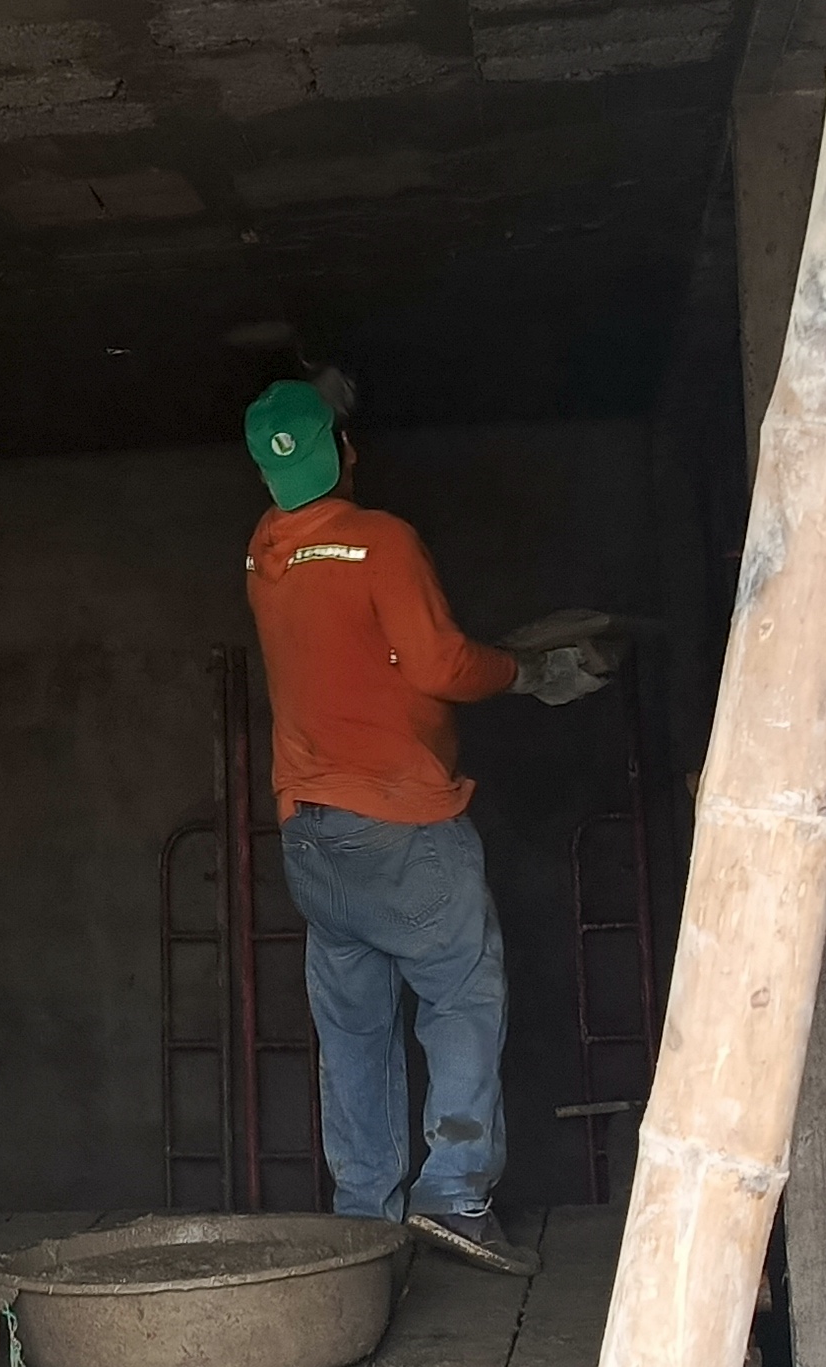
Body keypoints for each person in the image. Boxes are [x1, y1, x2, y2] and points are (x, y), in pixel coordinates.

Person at [238, 373, 603, 1277]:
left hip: (311, 834)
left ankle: (363, 1219)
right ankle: (454, 1191)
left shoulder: (264, 553)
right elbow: (438, 664)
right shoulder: (382, 541)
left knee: (354, 1028)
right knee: (462, 994)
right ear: (348, 451)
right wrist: (527, 672)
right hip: (401, 820)